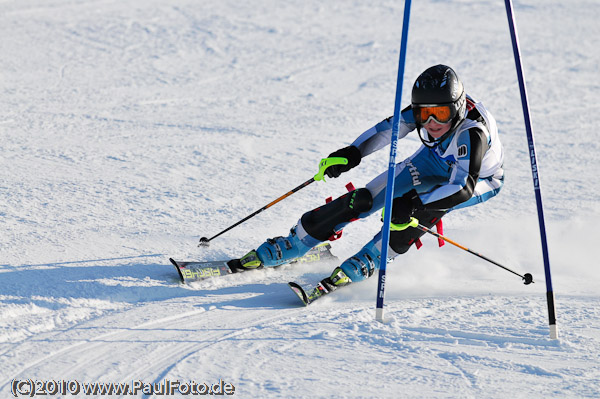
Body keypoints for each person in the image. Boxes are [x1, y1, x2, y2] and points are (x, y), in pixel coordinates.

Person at [229, 64, 504, 293]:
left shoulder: (472, 132)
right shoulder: (426, 116)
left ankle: (372, 257)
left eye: (440, 113)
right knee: (364, 199)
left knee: (414, 212)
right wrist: (352, 153)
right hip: (433, 159)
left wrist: (414, 203)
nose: (431, 121)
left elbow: (462, 187)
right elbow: (385, 131)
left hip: (477, 179)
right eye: (424, 113)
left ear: (455, 109)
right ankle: (298, 241)